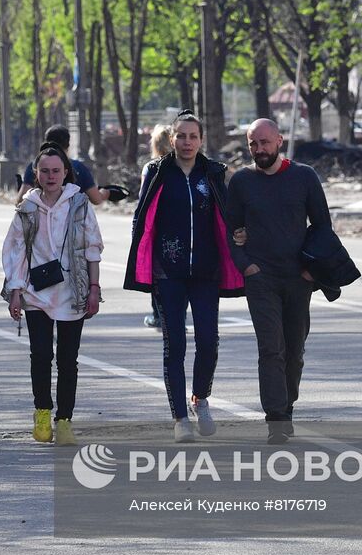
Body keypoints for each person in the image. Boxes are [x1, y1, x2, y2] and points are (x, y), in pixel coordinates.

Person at [125, 112, 242, 443]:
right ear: (171, 139)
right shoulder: (157, 172)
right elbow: (142, 216)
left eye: (193, 136)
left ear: (201, 140)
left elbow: (229, 216)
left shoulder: (214, 173)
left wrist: (241, 237)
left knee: (208, 341)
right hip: (169, 273)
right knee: (174, 344)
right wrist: (144, 258)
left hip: (206, 272)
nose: (187, 142)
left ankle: (200, 398)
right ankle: (179, 418)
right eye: (181, 136)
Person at [224, 118, 331, 445]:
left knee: (294, 349)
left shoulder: (304, 177)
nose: (259, 150)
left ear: (279, 142)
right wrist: (246, 265)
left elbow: (323, 226)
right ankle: (276, 417)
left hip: (299, 278)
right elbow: (231, 230)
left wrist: (312, 270)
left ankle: (287, 403)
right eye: (253, 144)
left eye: (264, 143)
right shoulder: (242, 182)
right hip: (262, 279)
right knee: (271, 348)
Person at [3, 144, 104, 446]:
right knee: (41, 356)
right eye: (44, 171)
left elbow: (92, 247)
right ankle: (43, 412)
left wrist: (95, 289)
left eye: (55, 171)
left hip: (73, 291)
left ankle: (65, 421)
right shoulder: (27, 208)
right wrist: (15, 290)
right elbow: (14, 251)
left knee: (68, 359)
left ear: (65, 173)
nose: (50, 176)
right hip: (37, 293)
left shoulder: (80, 204)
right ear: (35, 174)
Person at [17, 125, 115, 204]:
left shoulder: (36, 165)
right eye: (46, 171)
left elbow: (21, 201)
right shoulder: (79, 168)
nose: (51, 176)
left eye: (56, 171)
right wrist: (107, 192)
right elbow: (96, 199)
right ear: (68, 145)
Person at [141, 124, 174, 330]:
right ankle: (175, 314)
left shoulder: (151, 167)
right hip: (175, 226)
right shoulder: (180, 165)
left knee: (157, 274)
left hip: (157, 227)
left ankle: (159, 315)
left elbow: (143, 200)